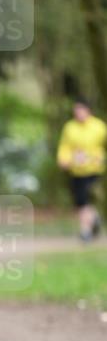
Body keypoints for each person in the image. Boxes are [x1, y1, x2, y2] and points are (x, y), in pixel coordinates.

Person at [57, 98, 106, 242]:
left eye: (80, 110)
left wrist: (97, 158)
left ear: (88, 110)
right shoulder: (69, 127)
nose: (78, 113)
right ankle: (94, 219)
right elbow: (65, 146)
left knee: (86, 200)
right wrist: (63, 159)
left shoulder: (99, 126)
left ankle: (85, 231)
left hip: (95, 171)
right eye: (76, 110)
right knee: (81, 202)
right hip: (77, 171)